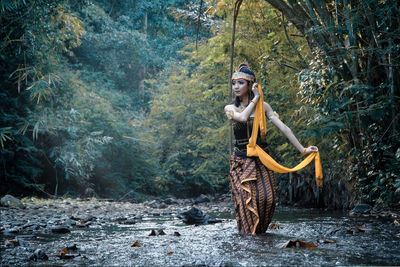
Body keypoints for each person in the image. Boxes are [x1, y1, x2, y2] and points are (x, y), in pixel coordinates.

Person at [224, 62, 318, 235]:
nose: (236, 87)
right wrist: (256, 99)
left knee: (268, 199)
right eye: (234, 83)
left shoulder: (264, 107)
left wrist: (303, 150)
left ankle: (258, 234)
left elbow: (284, 128)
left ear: (251, 85)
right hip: (240, 160)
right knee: (245, 199)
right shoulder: (230, 108)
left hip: (261, 159)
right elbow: (243, 118)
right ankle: (246, 237)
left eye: (241, 83)